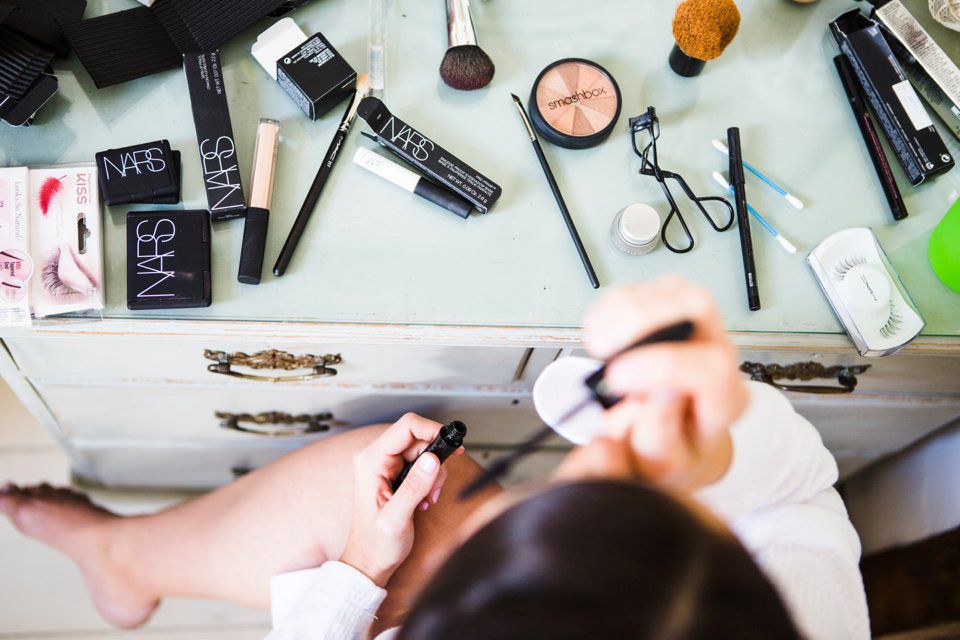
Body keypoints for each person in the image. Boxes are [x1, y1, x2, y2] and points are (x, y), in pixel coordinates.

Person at [0, 278, 870, 639]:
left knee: (357, 509)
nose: (590, 454)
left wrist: (353, 576)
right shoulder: (810, 615)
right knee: (407, 505)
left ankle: (120, 557)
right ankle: (126, 557)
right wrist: (709, 446)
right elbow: (801, 494)